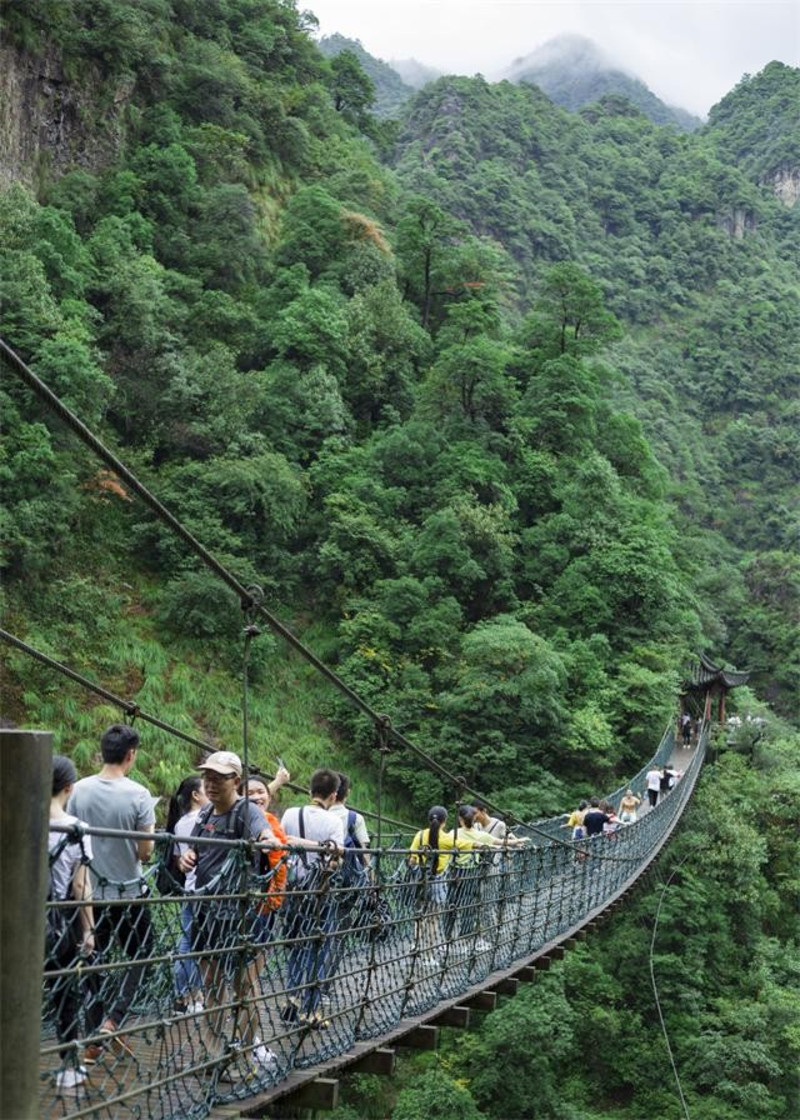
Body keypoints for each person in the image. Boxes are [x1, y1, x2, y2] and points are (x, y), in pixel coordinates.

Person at [177, 751, 281, 1074]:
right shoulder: (205, 813)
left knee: (241, 989)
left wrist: (264, 841)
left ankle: (247, 1049)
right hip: (207, 913)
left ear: (236, 781)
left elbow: (264, 832)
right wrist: (186, 858)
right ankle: (214, 1056)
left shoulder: (246, 811)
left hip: (238, 916)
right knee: (211, 989)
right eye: (207, 777)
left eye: (219, 778)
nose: (210, 784)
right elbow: (193, 848)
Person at [68, 723, 155, 1061]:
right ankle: (113, 1021)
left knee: (94, 960)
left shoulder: (77, 790)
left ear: (101, 751)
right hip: (129, 892)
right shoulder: (139, 795)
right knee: (143, 954)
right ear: (131, 754)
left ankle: (93, 1039)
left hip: (89, 893)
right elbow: (145, 852)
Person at [279, 768, 345, 1027]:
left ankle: (291, 1002)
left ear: (310, 791)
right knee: (318, 946)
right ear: (334, 795)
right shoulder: (334, 823)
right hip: (319, 891)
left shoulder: (290, 813)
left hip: (293, 889)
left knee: (295, 945)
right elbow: (336, 858)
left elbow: (282, 845)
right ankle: (311, 1011)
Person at [47, 756, 96, 1091]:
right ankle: (67, 1067)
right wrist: (89, 929)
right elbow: (80, 886)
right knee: (65, 992)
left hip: (18, 915)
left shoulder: (14, 816)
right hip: (60, 919)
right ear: (69, 787)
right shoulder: (76, 828)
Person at [166, 775, 208, 1014]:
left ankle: (184, 997)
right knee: (192, 946)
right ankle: (190, 995)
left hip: (190, 889)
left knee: (188, 942)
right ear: (195, 795)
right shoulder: (203, 819)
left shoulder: (181, 823)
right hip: (205, 890)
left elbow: (179, 860)